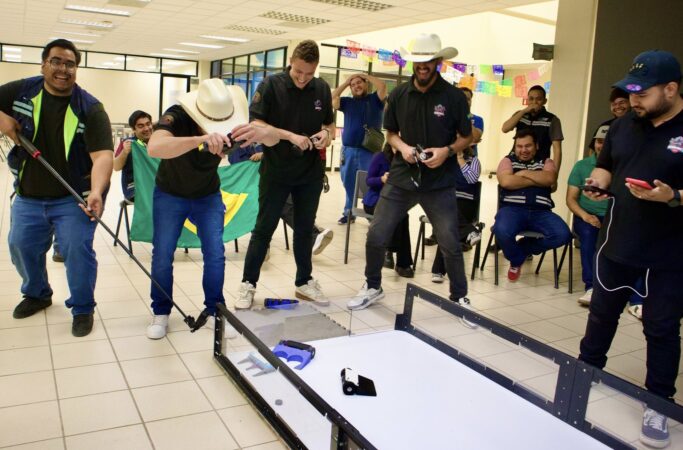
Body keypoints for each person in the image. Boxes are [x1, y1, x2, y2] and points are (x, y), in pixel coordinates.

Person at [579, 50, 683, 449]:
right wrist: (597, 182)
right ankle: (585, 373)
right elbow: (606, 165)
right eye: (630, 92)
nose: (633, 101)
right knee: (601, 315)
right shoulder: (622, 126)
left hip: (670, 253)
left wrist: (673, 196)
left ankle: (658, 403)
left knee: (660, 327)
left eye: (642, 94)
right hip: (618, 241)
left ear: (670, 89)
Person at [348, 33, 475, 322]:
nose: (422, 66)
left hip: (439, 180)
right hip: (402, 176)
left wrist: (446, 151)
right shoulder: (399, 95)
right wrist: (403, 148)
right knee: (376, 233)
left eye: (428, 61)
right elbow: (390, 133)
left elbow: (466, 137)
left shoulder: (454, 97)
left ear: (438, 61)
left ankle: (459, 296)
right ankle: (372, 285)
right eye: (418, 61)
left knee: (450, 241)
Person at [0, 39, 113, 337]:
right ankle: (37, 294)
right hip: (28, 195)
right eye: (56, 61)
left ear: (76, 69)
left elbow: (103, 156)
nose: (63, 69)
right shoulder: (23, 91)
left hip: (72, 198)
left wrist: (97, 191)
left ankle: (83, 308)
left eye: (70, 64)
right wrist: (3, 120)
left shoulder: (90, 109)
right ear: (43, 65)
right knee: (20, 245)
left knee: (77, 251)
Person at [144, 78, 271, 339]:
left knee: (215, 253)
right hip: (170, 193)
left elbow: (266, 136)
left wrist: (257, 135)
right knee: (162, 254)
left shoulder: (233, 121)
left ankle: (215, 309)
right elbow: (154, 147)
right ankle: (161, 311)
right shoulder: (176, 116)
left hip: (208, 194)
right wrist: (201, 139)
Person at [234, 40, 335, 310]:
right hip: (276, 170)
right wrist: (290, 136)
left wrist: (326, 134)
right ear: (291, 61)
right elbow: (256, 124)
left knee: (304, 229)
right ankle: (248, 284)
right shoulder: (271, 85)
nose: (302, 79)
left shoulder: (321, 88)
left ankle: (304, 281)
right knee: (263, 229)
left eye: (309, 74)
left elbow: (329, 123)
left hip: (309, 173)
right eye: (298, 71)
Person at [493, 129, 572, 282]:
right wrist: (537, 179)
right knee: (501, 230)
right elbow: (506, 182)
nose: (523, 150)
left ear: (536, 146)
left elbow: (550, 179)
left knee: (563, 234)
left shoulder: (546, 161)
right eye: (519, 146)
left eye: (528, 146)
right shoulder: (507, 161)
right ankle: (517, 259)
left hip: (541, 212)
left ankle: (523, 248)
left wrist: (522, 173)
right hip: (512, 210)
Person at [237, 150, 334, 256]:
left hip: (276, 176)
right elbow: (238, 159)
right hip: (248, 183)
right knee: (269, 202)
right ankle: (312, 234)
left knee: (284, 201)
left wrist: (267, 155)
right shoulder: (240, 144)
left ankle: (262, 247)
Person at [425, 85, 483, 247]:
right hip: (449, 158)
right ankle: (465, 233)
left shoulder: (476, 119)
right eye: (461, 99)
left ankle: (462, 236)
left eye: (468, 99)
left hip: (466, 160)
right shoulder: (447, 115)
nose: (465, 101)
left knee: (453, 203)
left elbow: (475, 136)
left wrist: (464, 115)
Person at [332, 73, 387, 225]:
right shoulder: (347, 102)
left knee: (370, 183)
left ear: (366, 83)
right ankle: (349, 213)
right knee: (348, 182)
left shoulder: (375, 100)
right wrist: (346, 82)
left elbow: (382, 86)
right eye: (353, 84)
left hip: (369, 152)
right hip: (348, 151)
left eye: (359, 82)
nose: (356, 86)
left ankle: (371, 213)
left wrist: (365, 75)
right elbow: (333, 98)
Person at [566, 125, 609, 304]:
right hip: (586, 215)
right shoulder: (581, 166)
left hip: (614, 217)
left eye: (606, 142)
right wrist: (586, 216)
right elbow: (571, 199)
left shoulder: (622, 166)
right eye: (599, 141)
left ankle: (635, 297)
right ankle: (591, 288)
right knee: (590, 236)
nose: (602, 146)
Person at [431, 145, 482, 283]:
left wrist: (460, 160)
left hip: (466, 202)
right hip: (447, 199)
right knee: (448, 221)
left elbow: (472, 179)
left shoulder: (474, 161)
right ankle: (469, 231)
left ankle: (438, 270)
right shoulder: (445, 160)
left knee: (447, 224)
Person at [363, 144, 413, 278]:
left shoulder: (407, 160)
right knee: (396, 215)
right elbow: (369, 180)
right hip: (374, 200)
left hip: (395, 200)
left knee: (402, 216)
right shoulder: (380, 157)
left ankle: (393, 256)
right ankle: (401, 261)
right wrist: (382, 179)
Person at [502, 85, 564, 169]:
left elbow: (557, 150)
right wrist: (524, 111)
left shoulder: (552, 120)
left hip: (539, 165)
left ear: (544, 101)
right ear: (527, 100)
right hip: (516, 162)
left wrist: (554, 173)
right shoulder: (520, 115)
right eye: (531, 99)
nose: (534, 102)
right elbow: (505, 129)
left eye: (538, 99)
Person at [114, 109, 153, 202]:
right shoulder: (128, 143)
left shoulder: (158, 142)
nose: (146, 128)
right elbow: (116, 167)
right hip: (134, 188)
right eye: (141, 126)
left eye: (148, 124)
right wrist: (124, 152)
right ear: (133, 129)